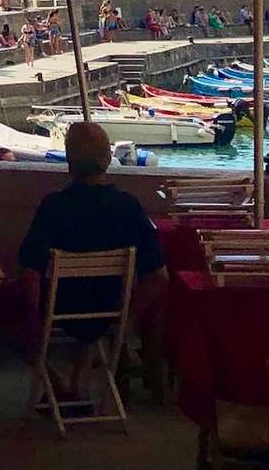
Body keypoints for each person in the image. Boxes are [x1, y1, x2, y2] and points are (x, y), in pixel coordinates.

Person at [16, 120, 166, 357]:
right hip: (112, 308)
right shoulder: (128, 206)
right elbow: (158, 276)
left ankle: (56, 384)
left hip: (59, 306)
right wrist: (129, 319)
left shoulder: (54, 207)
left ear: (69, 162)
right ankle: (76, 381)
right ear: (107, 160)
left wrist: (33, 323)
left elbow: (30, 273)